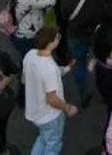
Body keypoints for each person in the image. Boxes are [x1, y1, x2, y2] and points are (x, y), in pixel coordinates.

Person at [21, 27, 75, 155]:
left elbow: (24, 79)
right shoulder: (49, 68)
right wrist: (68, 108)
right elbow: (51, 99)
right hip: (50, 116)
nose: (59, 39)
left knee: (43, 138)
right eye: (57, 37)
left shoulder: (30, 54)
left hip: (35, 113)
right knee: (53, 144)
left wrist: (67, 68)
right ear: (50, 43)